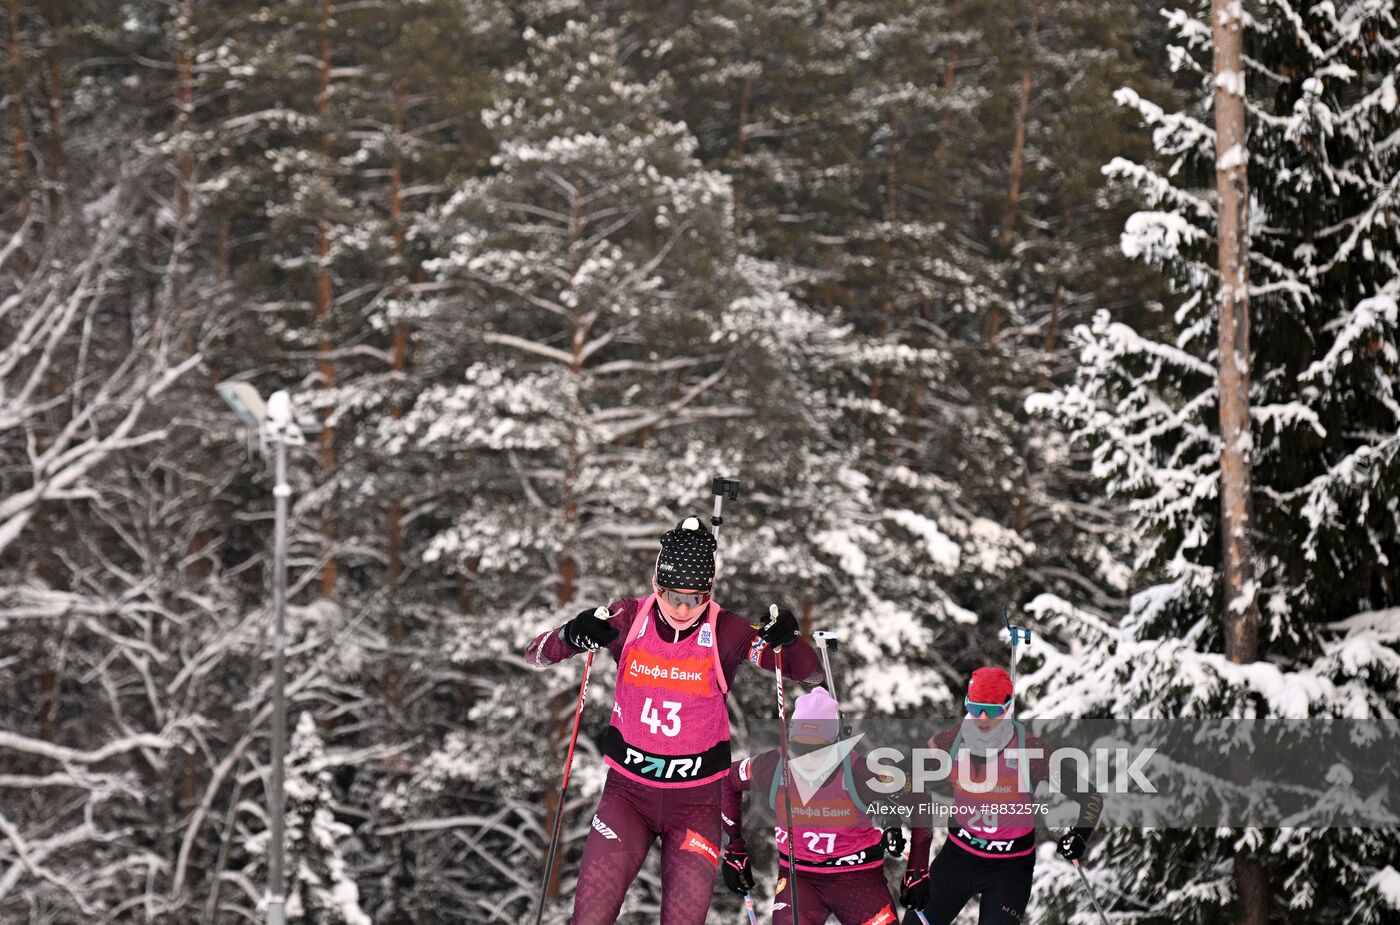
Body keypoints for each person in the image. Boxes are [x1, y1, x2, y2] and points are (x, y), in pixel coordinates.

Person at [525, 516, 820, 925]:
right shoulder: (628, 618)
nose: (683, 609)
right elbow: (536, 653)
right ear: (655, 586)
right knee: (590, 916)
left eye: (695, 598)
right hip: (627, 796)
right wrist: (573, 633)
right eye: (672, 595)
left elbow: (808, 672)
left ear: (710, 593)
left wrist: (788, 640)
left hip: (696, 803)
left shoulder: (726, 631)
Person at [899, 667, 1104, 925]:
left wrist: (1080, 835)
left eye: (993, 710)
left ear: (1007, 708)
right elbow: (901, 776)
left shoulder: (1030, 751)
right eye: (975, 708)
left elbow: (1092, 798)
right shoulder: (950, 742)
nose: (983, 718)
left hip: (1010, 869)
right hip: (958, 858)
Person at [719, 686, 901, 924]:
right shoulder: (772, 765)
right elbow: (726, 779)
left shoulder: (859, 770)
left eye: (818, 750)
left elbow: (913, 794)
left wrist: (894, 824)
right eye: (799, 748)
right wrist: (734, 849)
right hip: (799, 879)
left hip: (859, 878)